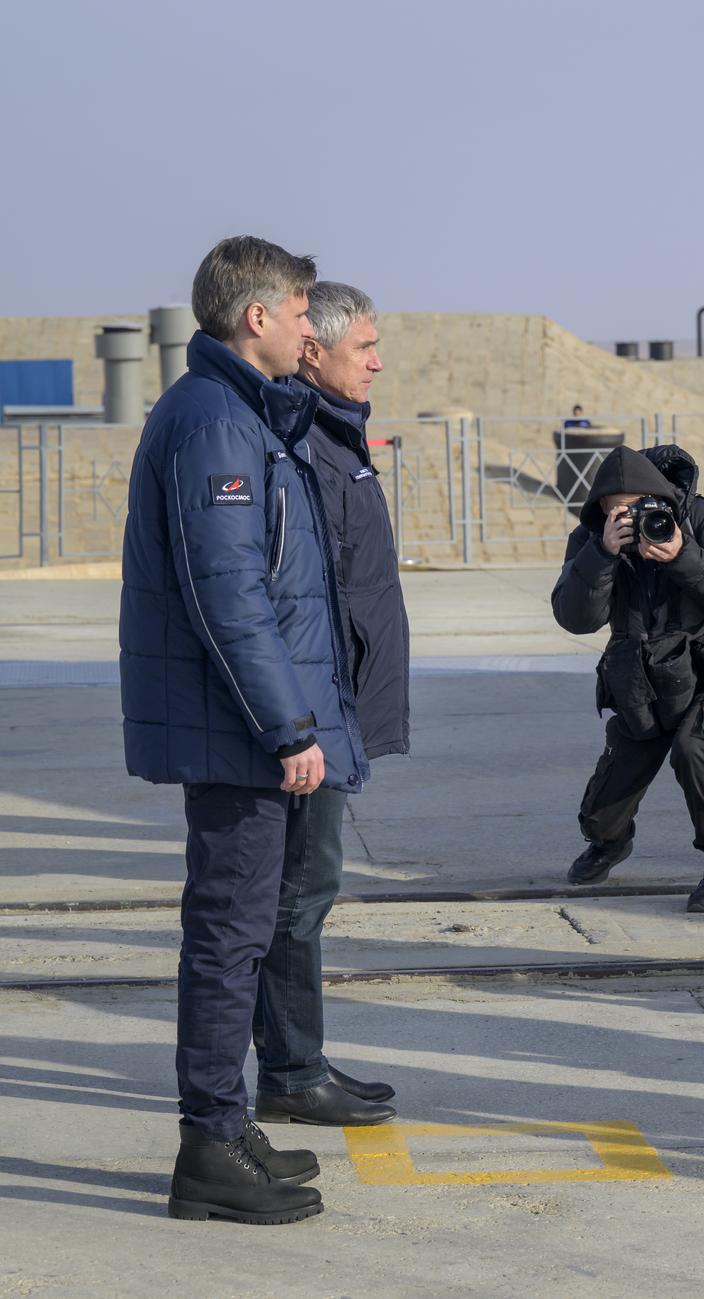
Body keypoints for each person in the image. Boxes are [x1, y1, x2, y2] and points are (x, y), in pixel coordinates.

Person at [120, 235, 363, 1225]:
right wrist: (289, 726)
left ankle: (227, 1127)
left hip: (243, 725)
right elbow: (231, 596)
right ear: (256, 316)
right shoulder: (217, 423)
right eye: (302, 309)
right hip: (240, 733)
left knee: (238, 932)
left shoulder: (238, 412)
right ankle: (208, 1149)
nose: (313, 326)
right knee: (225, 938)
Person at [247, 282, 406, 1129]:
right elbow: (297, 599)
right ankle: (291, 1071)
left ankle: (297, 1058)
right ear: (312, 352)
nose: (378, 360)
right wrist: (302, 724)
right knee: (300, 892)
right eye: (363, 346)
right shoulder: (303, 444)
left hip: (331, 710)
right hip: (311, 717)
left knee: (307, 889)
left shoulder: (335, 436)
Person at [555, 443, 704, 910]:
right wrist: (603, 554)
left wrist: (682, 555)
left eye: (640, 505)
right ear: (602, 510)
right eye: (616, 510)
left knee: (694, 749)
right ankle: (609, 842)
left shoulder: (701, 519)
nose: (632, 517)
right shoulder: (590, 540)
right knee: (605, 806)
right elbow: (575, 618)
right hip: (637, 680)